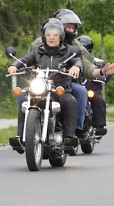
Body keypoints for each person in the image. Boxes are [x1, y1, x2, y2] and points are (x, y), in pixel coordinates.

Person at [30, 9, 114, 136]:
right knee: (22, 96)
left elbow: (87, 66)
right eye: (66, 26)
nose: (69, 30)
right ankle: (24, 133)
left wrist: (102, 71)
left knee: (80, 91)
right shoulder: (38, 43)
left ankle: (76, 130)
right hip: (42, 82)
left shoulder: (74, 45)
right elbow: (28, 60)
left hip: (66, 82)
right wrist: (17, 67)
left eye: (72, 28)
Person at [8, 18, 83, 151]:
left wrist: (76, 67)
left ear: (61, 36)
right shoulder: (38, 51)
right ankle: (20, 137)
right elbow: (25, 60)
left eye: (55, 34)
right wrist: (15, 65)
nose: (51, 37)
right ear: (44, 36)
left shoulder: (68, 51)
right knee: (25, 101)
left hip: (60, 90)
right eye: (48, 34)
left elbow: (77, 61)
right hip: (41, 89)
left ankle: (69, 138)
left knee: (70, 101)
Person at [77, 35, 114, 135]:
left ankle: (99, 126)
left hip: (91, 89)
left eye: (85, 48)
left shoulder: (97, 62)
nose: (83, 50)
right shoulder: (70, 60)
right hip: (78, 87)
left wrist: (104, 75)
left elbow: (105, 74)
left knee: (98, 99)